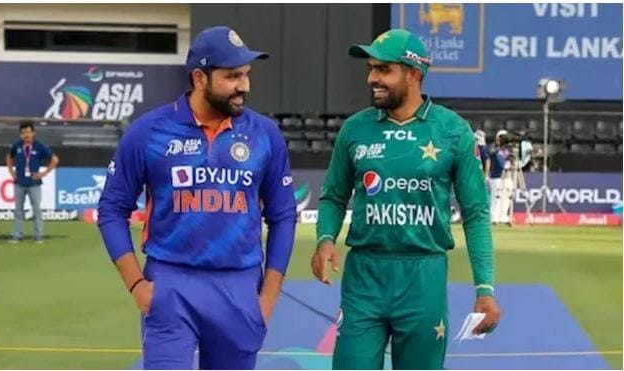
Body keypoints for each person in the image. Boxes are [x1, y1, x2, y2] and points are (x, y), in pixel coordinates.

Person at [97, 26, 297, 370]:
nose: (244, 86)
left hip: (239, 286)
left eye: (246, 75)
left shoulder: (264, 135)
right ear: (200, 77)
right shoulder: (149, 132)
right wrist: (137, 286)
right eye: (233, 76)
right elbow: (112, 210)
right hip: (170, 284)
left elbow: (283, 215)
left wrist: (267, 299)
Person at [310, 29, 501, 370]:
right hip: (364, 277)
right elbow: (333, 196)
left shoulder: (453, 131)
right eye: (371, 68)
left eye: (383, 69)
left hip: (423, 277)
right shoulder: (355, 129)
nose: (372, 78)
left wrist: (484, 288)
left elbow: (475, 214)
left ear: (413, 74)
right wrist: (325, 237)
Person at [6, 121, 59, 244]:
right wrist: (11, 170)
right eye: (23, 133)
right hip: (19, 182)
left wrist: (43, 173)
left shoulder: (39, 146)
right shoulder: (17, 146)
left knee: (36, 210)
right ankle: (17, 236)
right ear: (20, 134)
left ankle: (38, 236)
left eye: (28, 132)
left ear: (33, 133)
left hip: (34, 184)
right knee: (18, 210)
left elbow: (55, 159)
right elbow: (9, 156)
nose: (26, 135)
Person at [487, 130, 511, 224]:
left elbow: (510, 158)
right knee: (496, 197)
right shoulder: (494, 148)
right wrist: (498, 146)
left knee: (506, 197)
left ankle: (504, 217)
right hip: (496, 176)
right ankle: (494, 217)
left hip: (507, 176)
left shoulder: (507, 149)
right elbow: (492, 153)